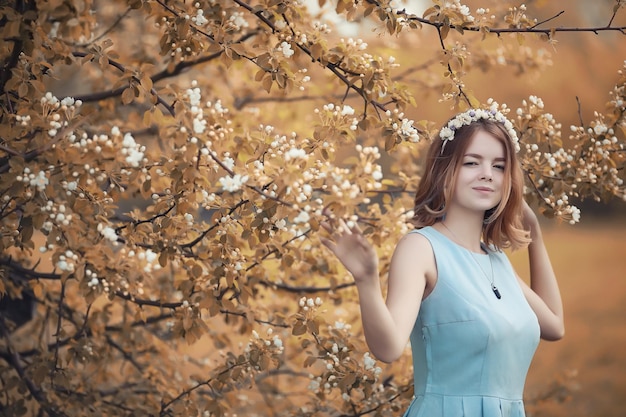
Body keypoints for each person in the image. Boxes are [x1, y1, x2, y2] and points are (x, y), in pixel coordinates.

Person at [320, 105, 564, 417]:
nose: (487, 174)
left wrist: (535, 237)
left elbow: (554, 326)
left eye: (500, 166)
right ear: (445, 169)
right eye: (472, 162)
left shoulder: (494, 259)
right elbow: (389, 347)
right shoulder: (421, 248)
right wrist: (366, 280)